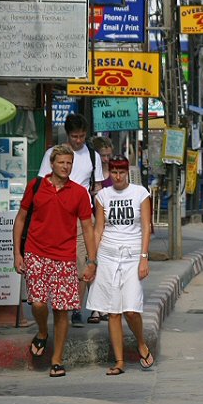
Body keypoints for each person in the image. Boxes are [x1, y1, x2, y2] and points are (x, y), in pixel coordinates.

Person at [12, 145, 96, 377]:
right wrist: (17, 253)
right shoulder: (36, 186)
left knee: (61, 310)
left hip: (65, 258)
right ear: (52, 164)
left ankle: (57, 359)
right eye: (61, 162)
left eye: (69, 163)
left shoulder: (79, 192)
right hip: (35, 253)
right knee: (38, 303)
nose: (66, 166)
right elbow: (20, 219)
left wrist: (91, 261)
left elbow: (88, 228)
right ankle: (41, 332)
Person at [85, 155, 155, 375]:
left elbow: (146, 226)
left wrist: (144, 257)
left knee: (131, 310)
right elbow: (98, 229)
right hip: (107, 255)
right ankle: (119, 361)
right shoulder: (103, 195)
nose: (117, 176)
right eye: (113, 172)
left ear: (127, 172)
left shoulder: (140, 193)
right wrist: (93, 260)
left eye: (121, 172)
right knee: (113, 311)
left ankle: (141, 343)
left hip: (132, 255)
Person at [38, 113, 104, 328]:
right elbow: (42, 185)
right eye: (75, 136)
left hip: (81, 216)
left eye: (82, 136)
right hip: (54, 216)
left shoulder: (92, 156)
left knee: (82, 262)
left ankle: (76, 307)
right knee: (54, 262)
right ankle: (56, 304)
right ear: (67, 135)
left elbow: (99, 189)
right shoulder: (53, 154)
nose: (78, 140)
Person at [89, 135, 115, 323]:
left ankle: (106, 306)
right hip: (92, 222)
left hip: (112, 226)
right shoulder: (91, 173)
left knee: (108, 269)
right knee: (93, 263)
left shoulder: (116, 173)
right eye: (102, 155)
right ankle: (95, 309)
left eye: (108, 155)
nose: (105, 159)